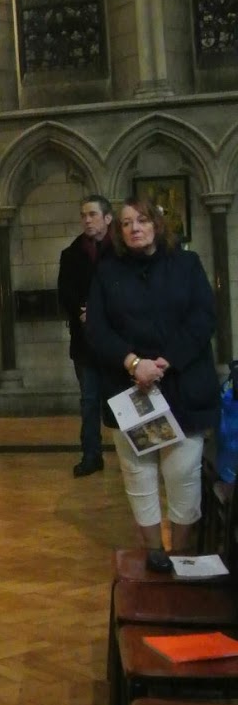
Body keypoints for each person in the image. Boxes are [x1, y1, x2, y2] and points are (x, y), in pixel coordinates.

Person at [85, 197, 218, 550]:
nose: (135, 228)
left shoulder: (187, 264)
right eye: (126, 223)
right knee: (139, 475)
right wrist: (133, 363)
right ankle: (155, 553)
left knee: (182, 475)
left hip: (182, 385)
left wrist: (165, 361)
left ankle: (181, 551)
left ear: (157, 225)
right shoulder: (107, 272)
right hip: (132, 390)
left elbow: (204, 318)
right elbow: (97, 329)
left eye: (142, 220)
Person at [57, 195, 114, 477]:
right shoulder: (71, 254)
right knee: (89, 400)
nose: (87, 220)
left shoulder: (121, 251)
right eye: (84, 215)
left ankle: (137, 453)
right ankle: (91, 454)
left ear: (107, 218)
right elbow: (64, 292)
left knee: (124, 399)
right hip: (86, 342)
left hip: (118, 341)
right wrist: (82, 311)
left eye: (93, 214)